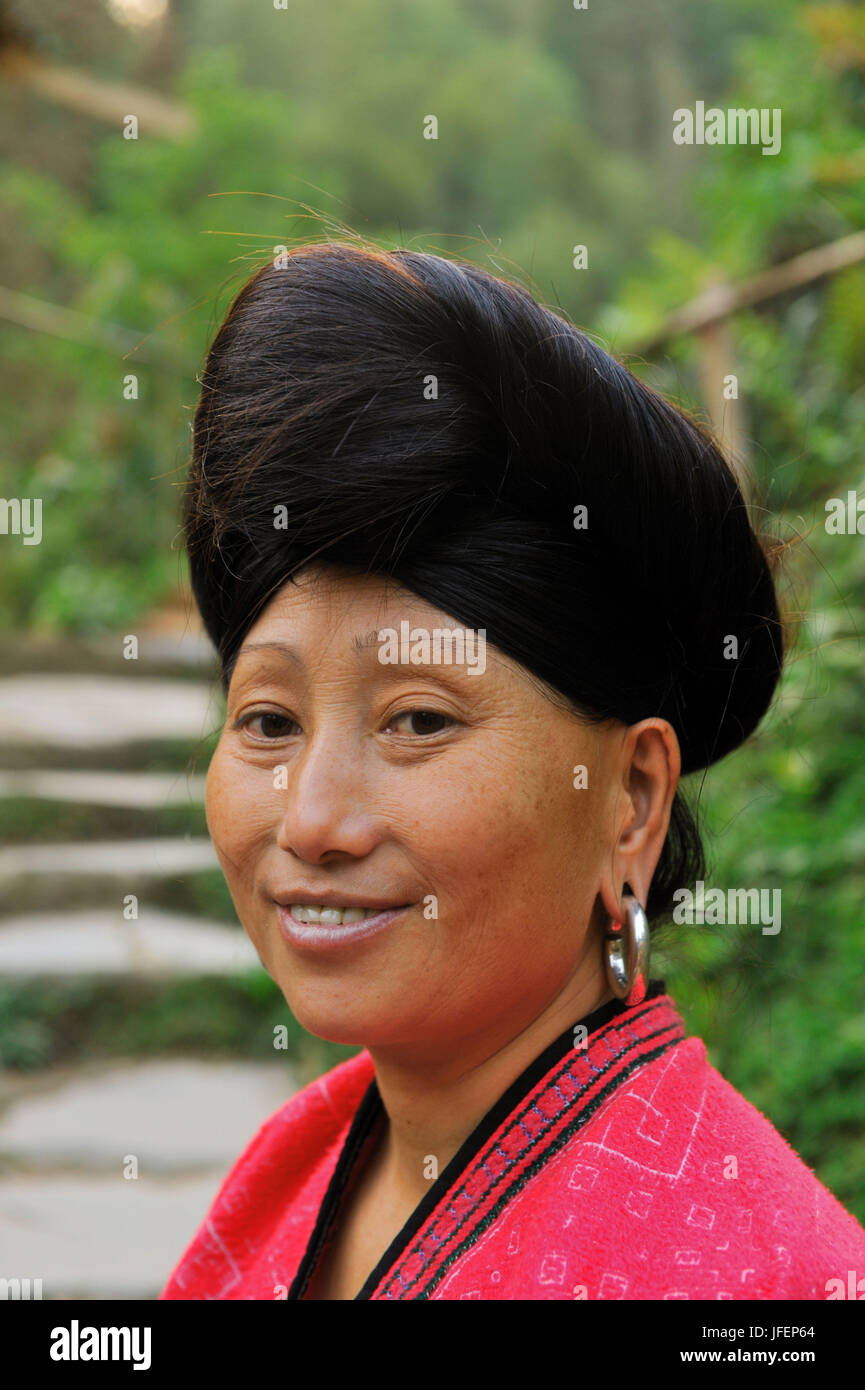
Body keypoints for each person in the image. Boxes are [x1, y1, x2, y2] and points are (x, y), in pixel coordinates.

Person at [160, 242, 865, 1300]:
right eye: (268, 719)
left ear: (629, 800)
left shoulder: (741, 1280)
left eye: (417, 720)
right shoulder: (302, 1159)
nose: (311, 820)